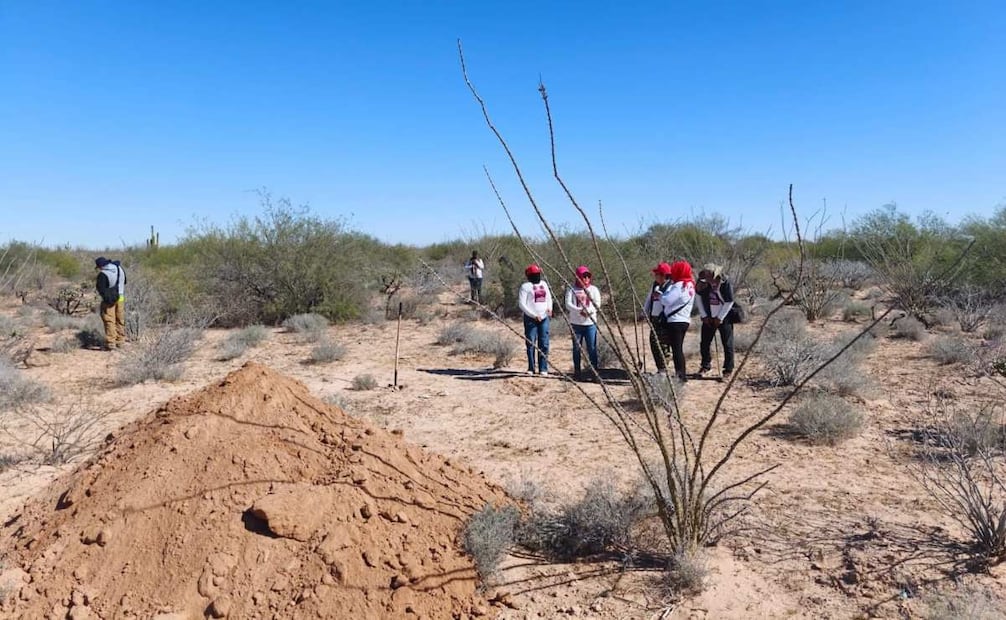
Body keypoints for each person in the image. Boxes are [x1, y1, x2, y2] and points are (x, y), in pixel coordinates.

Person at [643, 260, 695, 381]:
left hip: (674, 321)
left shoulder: (678, 285)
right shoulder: (689, 285)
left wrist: (660, 296)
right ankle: (679, 374)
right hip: (682, 319)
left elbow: (667, 300)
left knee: (674, 349)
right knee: (675, 349)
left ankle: (680, 376)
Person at [696, 263, 735, 377]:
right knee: (704, 343)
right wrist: (704, 315)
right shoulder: (702, 284)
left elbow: (729, 301)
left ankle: (728, 369)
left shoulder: (725, 283)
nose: (707, 277)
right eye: (706, 275)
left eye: (709, 274)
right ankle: (705, 365)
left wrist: (720, 317)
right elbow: (698, 297)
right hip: (708, 316)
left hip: (724, 317)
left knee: (727, 344)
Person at [565, 265, 601, 381]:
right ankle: (577, 372)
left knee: (592, 348)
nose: (585, 279)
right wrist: (579, 310)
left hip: (590, 324)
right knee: (576, 348)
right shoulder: (571, 289)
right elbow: (568, 304)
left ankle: (594, 372)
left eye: (587, 276)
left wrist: (588, 312)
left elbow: (597, 304)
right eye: (583, 276)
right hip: (576, 324)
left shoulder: (594, 289)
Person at [518, 263, 553, 376]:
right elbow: (522, 304)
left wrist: (549, 309)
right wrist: (533, 315)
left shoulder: (544, 284)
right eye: (534, 274)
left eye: (538, 274)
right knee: (531, 343)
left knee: (544, 343)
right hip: (530, 319)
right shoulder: (525, 287)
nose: (537, 276)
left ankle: (543, 368)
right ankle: (531, 367)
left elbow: (549, 298)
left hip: (544, 317)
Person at [95, 256, 126, 350]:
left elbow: (101, 289)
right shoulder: (119, 268)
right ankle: (120, 342)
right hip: (121, 297)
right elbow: (125, 281)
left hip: (109, 300)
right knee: (120, 320)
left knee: (109, 320)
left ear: (100, 266)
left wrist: (106, 297)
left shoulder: (103, 274)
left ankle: (111, 343)